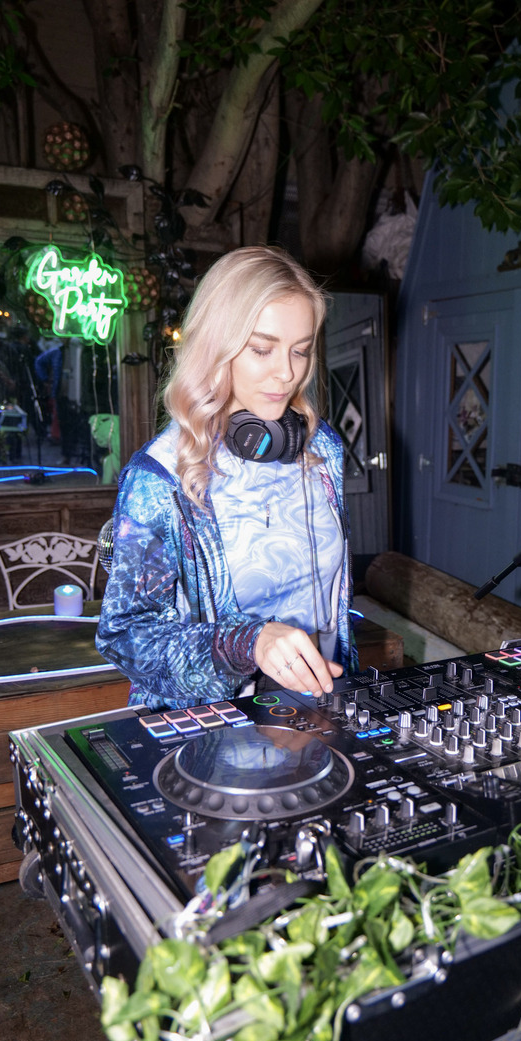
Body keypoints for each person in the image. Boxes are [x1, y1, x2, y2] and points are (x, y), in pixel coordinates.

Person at [96, 246, 357, 710]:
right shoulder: (159, 477)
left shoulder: (322, 449)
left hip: (319, 708)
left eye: (301, 350)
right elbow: (126, 636)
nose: (287, 372)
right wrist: (247, 644)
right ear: (217, 346)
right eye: (262, 349)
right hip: (211, 725)